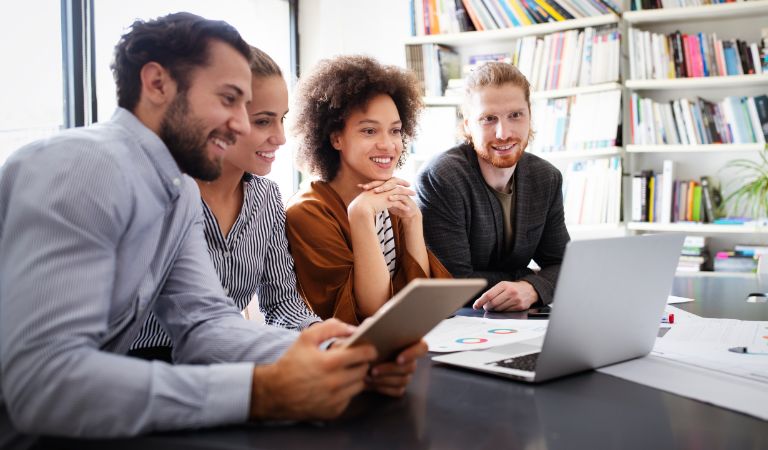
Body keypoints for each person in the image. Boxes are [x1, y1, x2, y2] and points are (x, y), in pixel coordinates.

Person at [0, 13, 423, 444]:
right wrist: (262, 392)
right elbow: (41, 381)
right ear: (157, 84)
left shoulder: (176, 190)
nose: (241, 125)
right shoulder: (82, 167)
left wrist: (340, 357)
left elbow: (203, 323)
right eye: (228, 100)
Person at [129, 46, 321, 363]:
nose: (281, 137)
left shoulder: (266, 198)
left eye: (282, 119)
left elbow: (283, 304)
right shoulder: (162, 198)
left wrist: (326, 341)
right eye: (263, 122)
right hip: (145, 374)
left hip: (221, 368)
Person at [287, 55, 451, 326]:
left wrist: (413, 221)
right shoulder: (307, 212)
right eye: (369, 131)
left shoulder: (389, 199)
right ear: (336, 137)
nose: (388, 145)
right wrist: (361, 216)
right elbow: (371, 313)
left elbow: (422, 302)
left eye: (395, 131)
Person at [415, 62, 570, 312]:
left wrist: (531, 288)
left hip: (518, 319)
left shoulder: (546, 178)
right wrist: (527, 276)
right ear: (467, 125)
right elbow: (455, 283)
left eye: (515, 115)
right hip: (459, 322)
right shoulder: (442, 177)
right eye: (488, 119)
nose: (503, 133)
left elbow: (566, 265)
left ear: (530, 115)